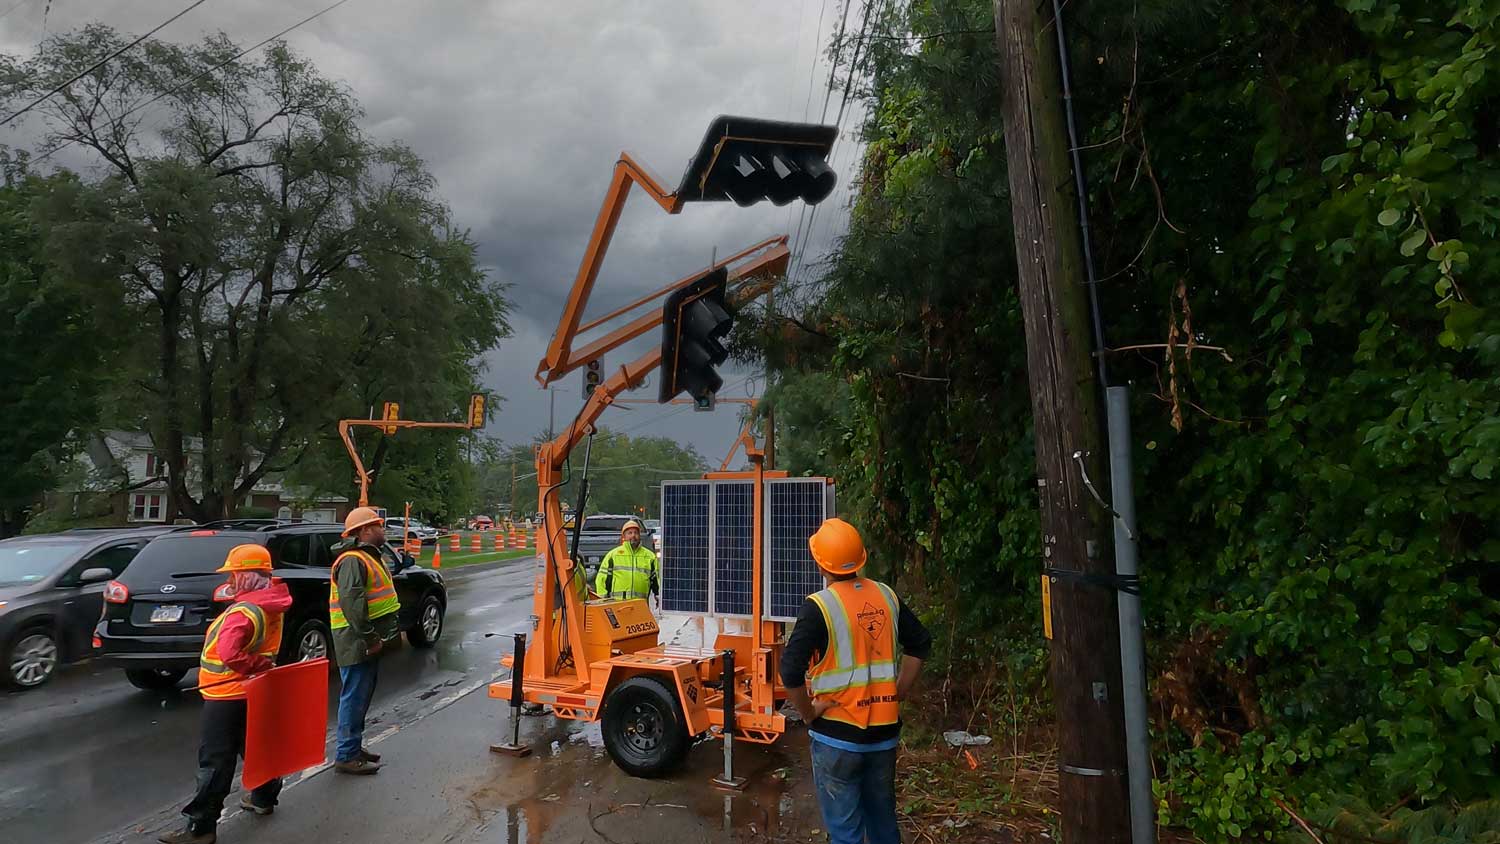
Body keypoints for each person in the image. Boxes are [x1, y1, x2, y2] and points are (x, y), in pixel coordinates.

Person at [779, 518, 932, 844]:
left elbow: (789, 673)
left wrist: (808, 713)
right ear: (862, 558)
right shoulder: (886, 596)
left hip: (837, 739)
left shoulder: (818, 607)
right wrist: (898, 691)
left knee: (845, 833)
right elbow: (920, 643)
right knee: (883, 824)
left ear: (820, 562)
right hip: (884, 737)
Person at [159, 545, 292, 844]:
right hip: (252, 690)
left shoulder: (244, 611)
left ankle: (201, 828)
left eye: (234, 573)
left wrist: (252, 664)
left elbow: (229, 652)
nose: (231, 580)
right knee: (257, 747)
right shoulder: (272, 601)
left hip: (226, 693)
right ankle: (263, 798)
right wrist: (259, 665)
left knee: (215, 761)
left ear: (247, 575)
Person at [328, 506, 401, 775]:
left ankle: (353, 747)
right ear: (365, 530)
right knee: (354, 696)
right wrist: (370, 637)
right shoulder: (352, 560)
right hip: (355, 639)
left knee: (361, 696)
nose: (383, 529)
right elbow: (352, 604)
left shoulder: (368, 557)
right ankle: (346, 755)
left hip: (363, 639)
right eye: (378, 525)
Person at [593, 518, 659, 605]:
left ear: (639, 535)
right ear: (624, 536)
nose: (633, 535)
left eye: (636, 533)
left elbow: (656, 579)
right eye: (630, 533)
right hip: (617, 605)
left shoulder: (650, 556)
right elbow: (601, 579)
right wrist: (602, 600)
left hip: (640, 606)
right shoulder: (613, 555)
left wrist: (657, 595)